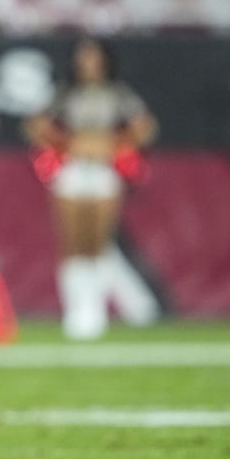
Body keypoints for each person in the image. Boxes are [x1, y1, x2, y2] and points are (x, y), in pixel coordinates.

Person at [25, 37, 158, 339]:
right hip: (72, 170)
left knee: (97, 243)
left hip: (102, 171)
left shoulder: (117, 94)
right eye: (83, 58)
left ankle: (95, 311)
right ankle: (76, 310)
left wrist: (114, 145)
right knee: (73, 243)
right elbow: (35, 125)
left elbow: (145, 126)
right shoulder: (65, 93)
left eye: (93, 57)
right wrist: (66, 144)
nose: (88, 64)